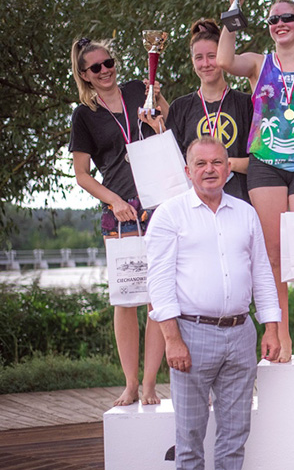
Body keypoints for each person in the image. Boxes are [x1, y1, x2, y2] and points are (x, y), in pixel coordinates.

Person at [218, 0, 294, 363]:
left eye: (288, 18)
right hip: (265, 165)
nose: (280, 23)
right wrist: (235, 5)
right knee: (274, 256)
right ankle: (282, 338)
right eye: (274, 19)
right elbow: (223, 60)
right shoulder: (257, 62)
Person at [147, 136, 281, 469]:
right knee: (190, 438)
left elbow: (262, 273)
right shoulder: (169, 215)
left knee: (235, 436)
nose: (210, 170)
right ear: (187, 171)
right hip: (191, 335)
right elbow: (159, 283)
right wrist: (172, 339)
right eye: (201, 164)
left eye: (217, 162)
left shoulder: (246, 214)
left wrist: (272, 328)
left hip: (241, 333)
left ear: (228, 169)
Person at [69, 37, 166, 406]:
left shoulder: (137, 90)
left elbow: (170, 124)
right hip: (121, 211)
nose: (105, 70)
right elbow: (82, 174)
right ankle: (129, 383)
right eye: (96, 67)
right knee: (126, 300)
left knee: (159, 298)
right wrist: (114, 201)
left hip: (158, 204)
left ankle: (150, 384)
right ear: (85, 75)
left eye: (108, 62)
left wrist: (157, 113)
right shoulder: (84, 115)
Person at [168, 19, 252, 203]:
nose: (205, 63)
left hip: (241, 202)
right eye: (199, 58)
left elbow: (259, 164)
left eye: (212, 56)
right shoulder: (180, 108)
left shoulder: (247, 104)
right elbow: (174, 166)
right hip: (195, 206)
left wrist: (222, 163)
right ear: (192, 61)